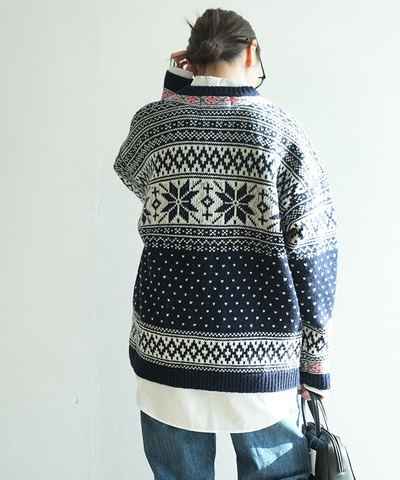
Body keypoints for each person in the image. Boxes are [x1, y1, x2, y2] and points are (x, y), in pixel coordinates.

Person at [114, 8, 337, 480]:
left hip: (166, 351)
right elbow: (315, 251)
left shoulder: (155, 125)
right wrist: (314, 364)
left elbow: (135, 175)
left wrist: (176, 89)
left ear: (191, 59)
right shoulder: (281, 131)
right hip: (260, 359)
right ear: (252, 52)